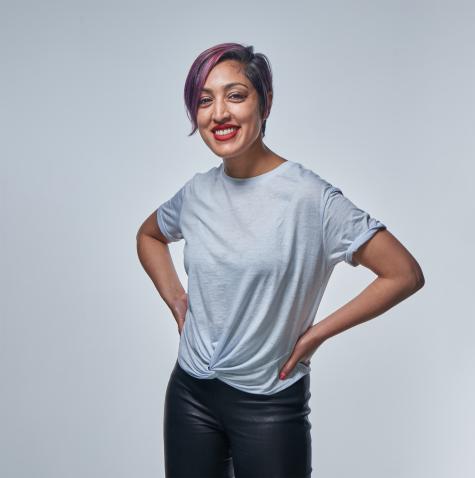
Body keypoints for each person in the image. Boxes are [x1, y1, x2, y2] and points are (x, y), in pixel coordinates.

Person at [135, 42, 425, 478]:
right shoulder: (196, 194)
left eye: (235, 95)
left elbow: (403, 273)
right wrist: (177, 299)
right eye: (204, 100)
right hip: (190, 395)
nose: (219, 114)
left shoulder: (311, 199)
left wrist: (315, 336)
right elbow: (149, 236)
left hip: (268, 403)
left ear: (265, 102)